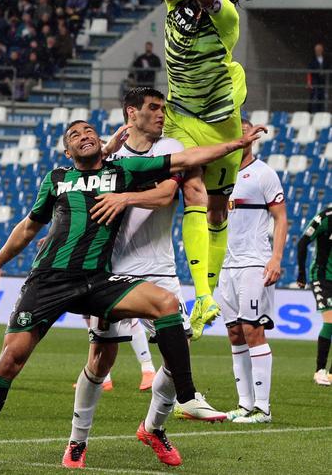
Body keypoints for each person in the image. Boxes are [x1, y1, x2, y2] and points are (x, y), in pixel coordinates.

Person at [0, 119, 264, 471]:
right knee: (10, 362)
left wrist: (236, 144)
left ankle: (185, 396)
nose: (84, 136)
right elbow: (30, 226)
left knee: (166, 305)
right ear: (68, 151)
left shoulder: (122, 171)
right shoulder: (57, 180)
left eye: (89, 131)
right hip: (48, 281)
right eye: (75, 135)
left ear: (101, 140)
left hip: (97, 281)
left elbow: (187, 160)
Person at [63, 88, 226, 470]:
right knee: (101, 358)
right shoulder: (108, 156)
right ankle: (76, 441)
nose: (160, 114)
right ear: (130, 113)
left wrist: (127, 197)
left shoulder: (171, 146)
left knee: (177, 351)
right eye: (153, 108)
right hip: (112, 269)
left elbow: (170, 194)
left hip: (160, 268)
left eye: (163, 108)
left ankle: (153, 427)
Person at [136, 0, 255, 339]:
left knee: (220, 210)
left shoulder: (226, 13)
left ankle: (210, 294)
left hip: (221, 122)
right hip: (182, 115)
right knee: (193, 191)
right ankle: (201, 297)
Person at [218, 118, 288, 424]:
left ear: (252, 136)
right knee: (234, 334)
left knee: (252, 330)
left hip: (254, 262)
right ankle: (244, 405)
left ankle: (263, 408)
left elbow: (282, 218)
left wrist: (275, 259)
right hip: (225, 265)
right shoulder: (219, 174)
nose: (239, 134)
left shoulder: (264, 173)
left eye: (243, 129)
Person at [297, 204, 332, 386]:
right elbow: (303, 242)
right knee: (330, 321)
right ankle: (319, 370)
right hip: (322, 276)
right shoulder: (325, 217)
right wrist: (301, 275)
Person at [307, 42, 329, 113]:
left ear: (322, 50)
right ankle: (313, 114)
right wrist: (309, 82)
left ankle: (321, 113)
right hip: (315, 82)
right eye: (316, 50)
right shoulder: (312, 61)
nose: (317, 52)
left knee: (323, 99)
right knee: (314, 99)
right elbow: (309, 72)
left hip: (323, 83)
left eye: (319, 50)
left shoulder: (326, 61)